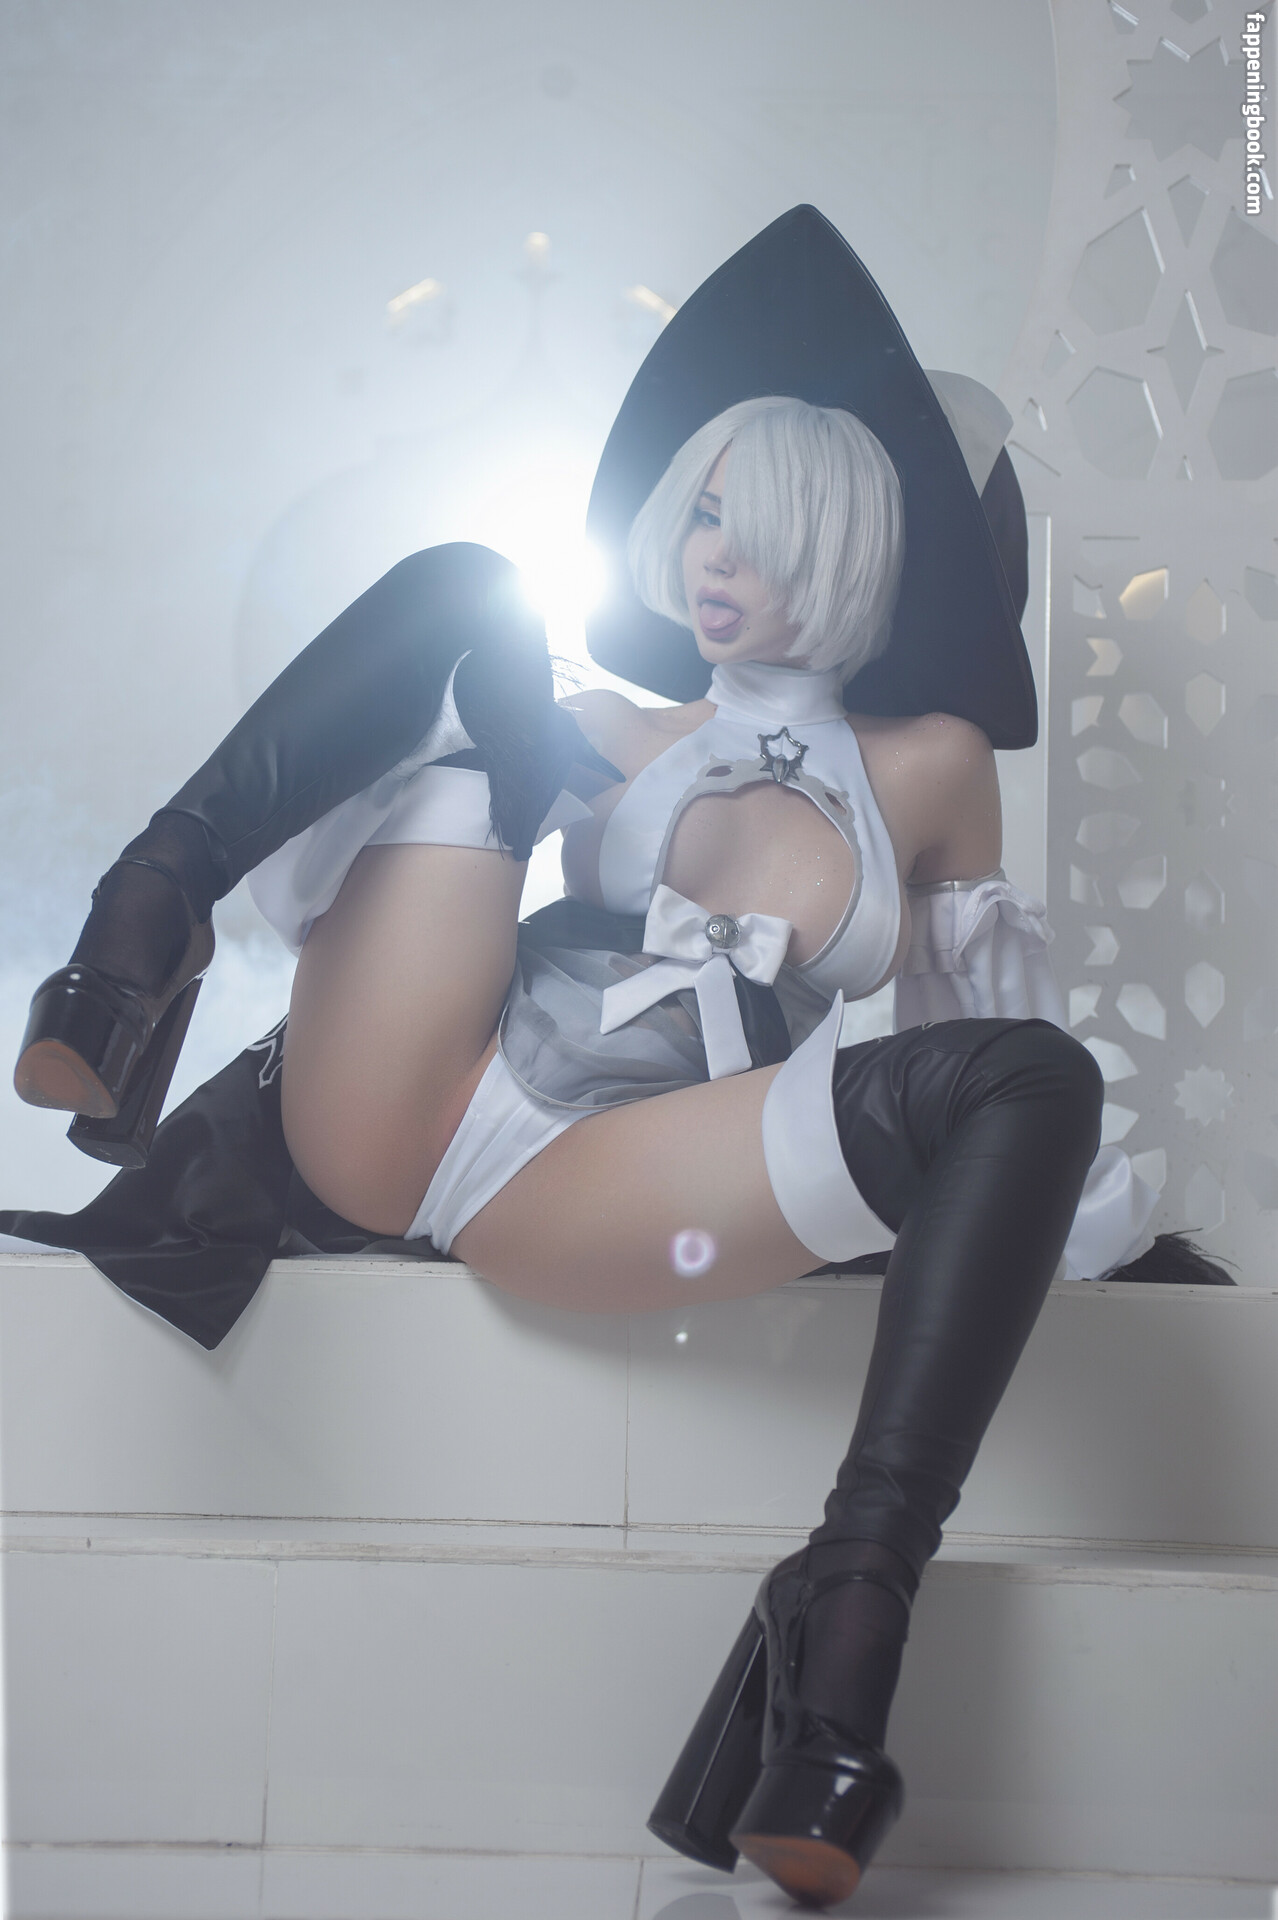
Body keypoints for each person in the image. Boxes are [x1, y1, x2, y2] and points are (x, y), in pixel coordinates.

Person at [1, 207, 1232, 1908]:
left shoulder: (930, 765)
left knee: (1033, 1075)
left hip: (603, 1176)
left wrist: (1027, 1211)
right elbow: (435, 771)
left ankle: (848, 1605)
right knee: (470, 594)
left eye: (760, 529)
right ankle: (136, 938)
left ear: (848, 557)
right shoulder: (598, 723)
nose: (713, 558)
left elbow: (961, 1033)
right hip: (410, 1085)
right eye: (701, 512)